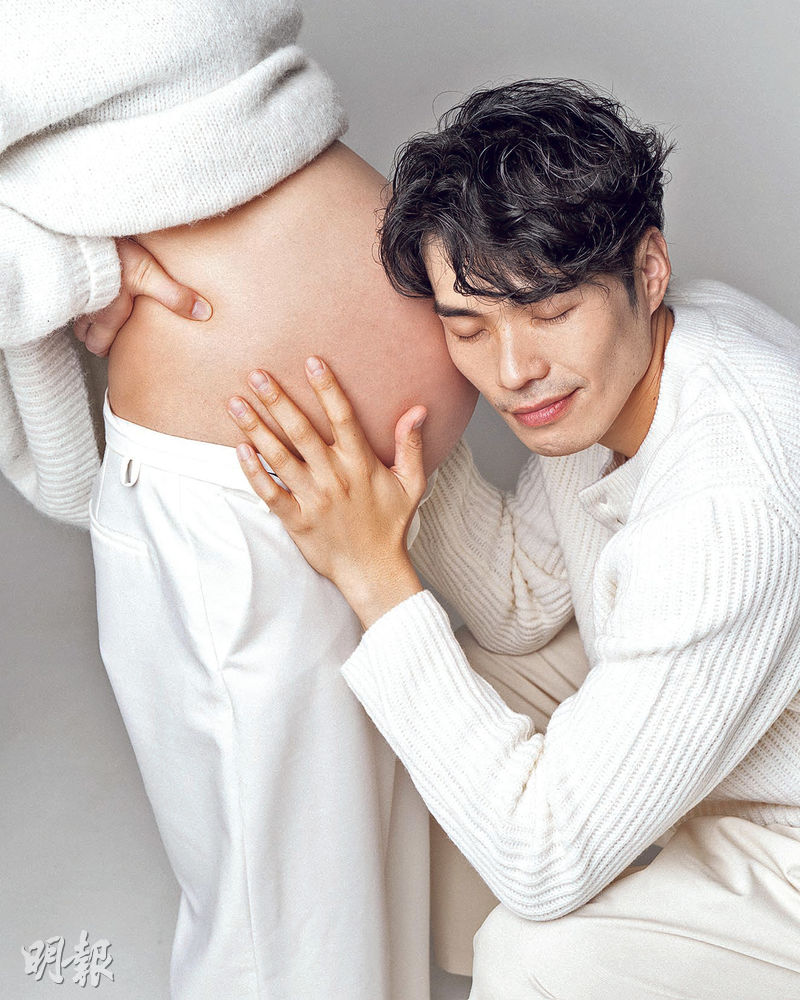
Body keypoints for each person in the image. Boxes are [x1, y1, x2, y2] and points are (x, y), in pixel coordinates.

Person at [226, 79, 800, 998]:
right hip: (738, 750)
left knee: (535, 953)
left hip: (784, 840)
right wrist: (392, 457)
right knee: (439, 699)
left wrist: (374, 575)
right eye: (467, 327)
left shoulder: (728, 504)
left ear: (648, 270)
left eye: (551, 313)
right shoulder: (620, 378)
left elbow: (544, 861)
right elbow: (521, 602)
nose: (513, 372)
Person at [2, 2, 479, 998]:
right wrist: (70, 268)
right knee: (285, 931)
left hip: (359, 506)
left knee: (353, 895)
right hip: (227, 492)